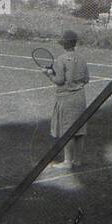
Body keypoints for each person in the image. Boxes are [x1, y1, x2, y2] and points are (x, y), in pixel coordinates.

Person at [45, 30, 89, 170]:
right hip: (80, 97)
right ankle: (78, 160)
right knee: (80, 130)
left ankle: (67, 161)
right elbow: (86, 79)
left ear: (64, 44)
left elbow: (59, 80)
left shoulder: (61, 59)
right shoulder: (82, 58)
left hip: (66, 98)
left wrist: (48, 75)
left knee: (67, 130)